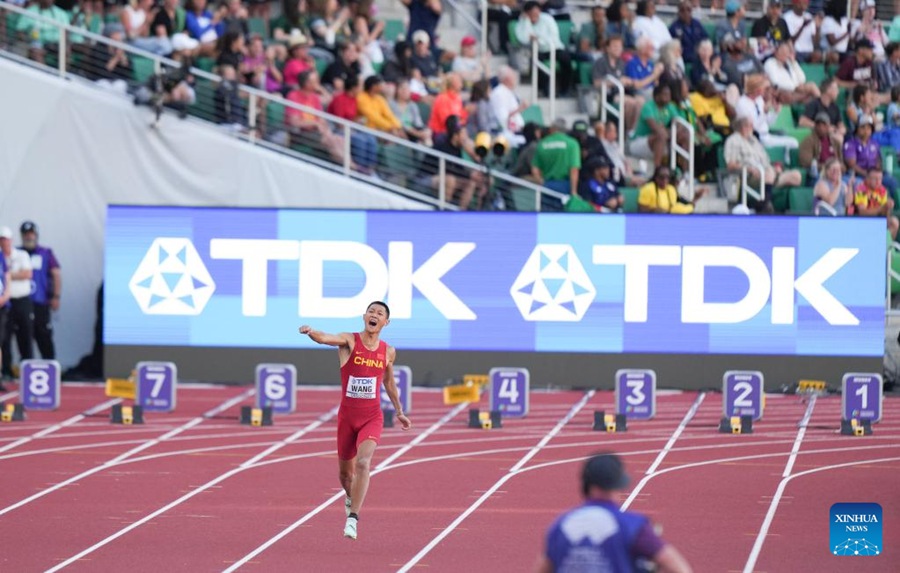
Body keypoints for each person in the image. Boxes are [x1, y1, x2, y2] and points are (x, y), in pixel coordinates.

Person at [298, 301, 411, 541]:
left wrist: (399, 410)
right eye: (371, 311)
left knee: (363, 463)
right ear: (364, 316)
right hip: (347, 418)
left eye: (380, 313)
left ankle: (353, 518)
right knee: (345, 476)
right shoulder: (349, 341)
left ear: (385, 322)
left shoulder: (388, 351)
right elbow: (325, 338)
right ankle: (350, 497)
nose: (374, 315)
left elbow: (389, 382)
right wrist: (311, 332)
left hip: (372, 416)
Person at [536, 452, 692, 573]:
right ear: (619, 485)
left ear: (586, 484)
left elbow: (542, 568)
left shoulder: (560, 526)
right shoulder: (633, 526)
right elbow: (678, 568)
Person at [17, 222, 60, 361]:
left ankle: (50, 364)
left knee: (43, 333)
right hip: (22, 301)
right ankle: (26, 364)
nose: (29, 236)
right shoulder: (17, 253)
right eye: (26, 234)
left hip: (40, 301)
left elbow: (56, 274)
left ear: (36, 235)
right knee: (23, 334)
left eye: (31, 233)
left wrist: (56, 296)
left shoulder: (45, 253)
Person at [0, 226, 34, 381]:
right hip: (6, 303)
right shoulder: (1, 257)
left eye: (5, 239)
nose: (3, 242)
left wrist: (7, 274)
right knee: (5, 338)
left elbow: (27, 274)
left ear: (11, 240)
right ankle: (6, 370)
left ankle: (28, 370)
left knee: (25, 335)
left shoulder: (21, 254)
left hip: (21, 300)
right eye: (1, 240)